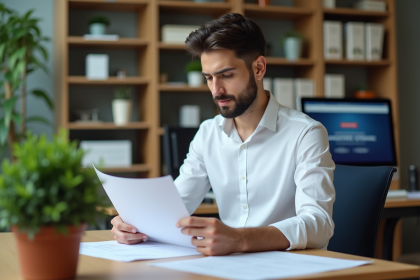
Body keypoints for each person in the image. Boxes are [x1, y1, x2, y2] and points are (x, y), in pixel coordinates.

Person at [111, 13, 335, 256]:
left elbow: (319, 224)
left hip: (291, 266)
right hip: (227, 265)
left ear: (258, 68)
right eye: (209, 78)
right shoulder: (208, 133)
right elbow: (174, 208)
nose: (216, 90)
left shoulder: (305, 133)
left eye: (227, 75)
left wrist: (240, 239)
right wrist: (132, 224)